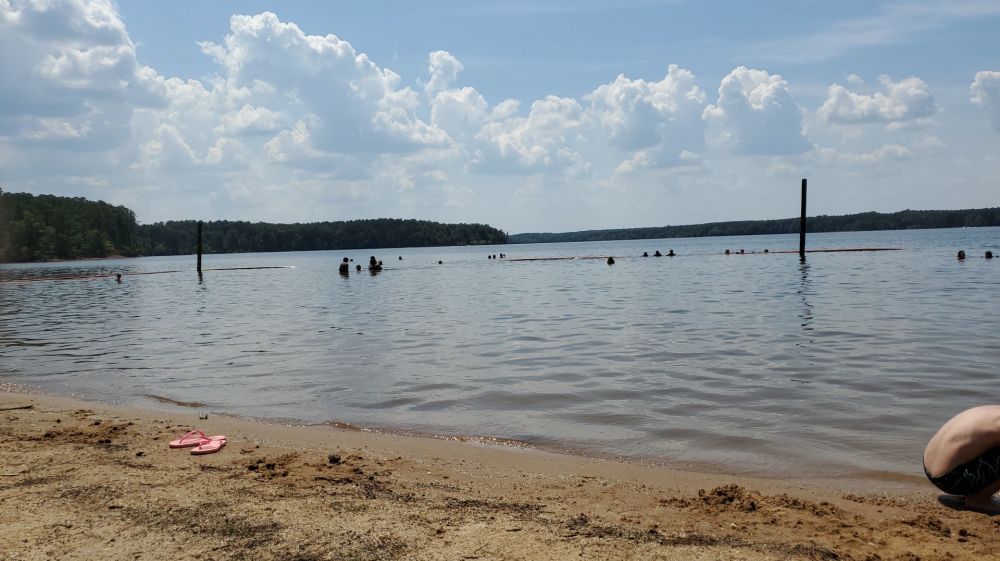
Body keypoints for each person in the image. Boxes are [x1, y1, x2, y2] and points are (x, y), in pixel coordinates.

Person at [924, 406, 1000, 513]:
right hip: (951, 478)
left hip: (930, 467)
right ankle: (979, 500)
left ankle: (976, 493)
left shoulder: (993, 410)